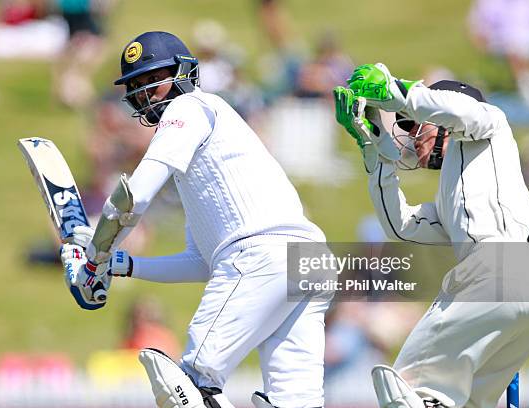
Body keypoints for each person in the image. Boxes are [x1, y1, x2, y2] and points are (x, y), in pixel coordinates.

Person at [60, 31, 330, 408]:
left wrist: (93, 256)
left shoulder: (187, 109)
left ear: (183, 73)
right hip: (308, 261)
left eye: (152, 81)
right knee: (295, 403)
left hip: (261, 254)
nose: (144, 94)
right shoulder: (208, 153)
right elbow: (202, 262)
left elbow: (130, 199)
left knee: (188, 387)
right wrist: (121, 264)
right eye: (136, 86)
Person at [333, 63, 529, 407]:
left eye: (416, 124)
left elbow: (461, 111)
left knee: (409, 387)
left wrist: (398, 92)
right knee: (467, 401)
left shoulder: (488, 123)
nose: (412, 135)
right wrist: (375, 149)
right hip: (523, 293)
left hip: (502, 269)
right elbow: (401, 224)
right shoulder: (452, 195)